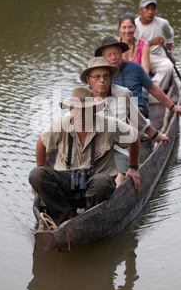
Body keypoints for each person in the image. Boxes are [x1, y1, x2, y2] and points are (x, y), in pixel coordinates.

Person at [28, 87, 140, 225]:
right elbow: (41, 143)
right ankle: (65, 212)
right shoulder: (60, 126)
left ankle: (89, 213)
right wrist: (40, 168)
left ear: (93, 109)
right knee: (36, 174)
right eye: (75, 109)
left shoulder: (109, 125)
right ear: (70, 110)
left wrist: (133, 167)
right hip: (68, 182)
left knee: (102, 183)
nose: (80, 114)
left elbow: (134, 137)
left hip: (96, 183)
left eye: (85, 109)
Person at [80, 57, 170, 186]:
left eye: (105, 76)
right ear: (89, 79)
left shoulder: (123, 94)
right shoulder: (81, 97)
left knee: (118, 180)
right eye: (97, 77)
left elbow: (138, 121)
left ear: (110, 77)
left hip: (118, 149)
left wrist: (157, 136)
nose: (102, 81)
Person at [95, 36, 181, 119]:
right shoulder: (100, 74)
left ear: (121, 53)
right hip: (112, 114)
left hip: (136, 112)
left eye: (116, 53)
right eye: (109, 55)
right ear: (103, 57)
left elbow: (153, 89)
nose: (113, 57)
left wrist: (173, 107)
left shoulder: (135, 68)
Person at [134, 0, 174, 94]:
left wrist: (169, 52)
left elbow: (169, 35)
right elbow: (133, 47)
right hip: (139, 56)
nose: (150, 12)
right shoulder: (134, 25)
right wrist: (151, 42)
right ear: (140, 10)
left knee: (168, 66)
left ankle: (152, 89)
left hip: (156, 56)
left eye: (153, 9)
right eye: (147, 9)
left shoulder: (162, 23)